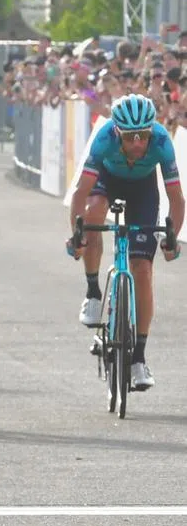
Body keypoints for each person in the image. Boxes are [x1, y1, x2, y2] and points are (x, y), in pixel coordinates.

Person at [68, 94, 183, 391]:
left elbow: (176, 198)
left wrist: (173, 237)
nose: (137, 143)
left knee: (142, 269)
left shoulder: (161, 142)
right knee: (92, 213)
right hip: (108, 180)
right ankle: (93, 291)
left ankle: (139, 359)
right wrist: (78, 235)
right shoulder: (104, 138)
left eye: (142, 135)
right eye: (130, 136)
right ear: (117, 131)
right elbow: (81, 193)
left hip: (143, 189)